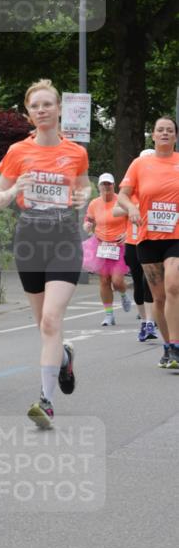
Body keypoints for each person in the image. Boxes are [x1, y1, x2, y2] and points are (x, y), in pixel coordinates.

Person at [0, 79, 91, 429]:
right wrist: (15, 187)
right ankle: (64, 356)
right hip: (29, 239)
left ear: (59, 108)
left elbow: (82, 188)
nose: (41, 110)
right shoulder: (18, 152)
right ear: (28, 114)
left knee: (51, 320)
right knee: (42, 325)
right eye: (35, 106)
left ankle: (45, 401)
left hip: (64, 239)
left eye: (47, 104)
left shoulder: (76, 152)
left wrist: (84, 198)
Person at [117, 116, 179, 369]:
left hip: (176, 235)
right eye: (160, 130)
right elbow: (122, 195)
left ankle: (176, 345)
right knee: (160, 297)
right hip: (147, 238)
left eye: (170, 130)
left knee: (174, 286)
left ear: (175, 136)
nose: (164, 133)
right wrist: (131, 208)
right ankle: (168, 347)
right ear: (152, 135)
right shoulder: (140, 164)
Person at [113, 149, 157, 341]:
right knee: (139, 282)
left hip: (154, 240)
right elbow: (115, 211)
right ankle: (144, 321)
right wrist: (133, 209)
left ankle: (151, 321)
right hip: (133, 241)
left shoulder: (158, 188)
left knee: (152, 282)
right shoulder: (131, 191)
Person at [82, 173, 131, 325]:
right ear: (99, 187)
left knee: (116, 281)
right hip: (101, 244)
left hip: (119, 245)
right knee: (104, 280)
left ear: (114, 185)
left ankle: (123, 294)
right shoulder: (94, 203)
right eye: (103, 184)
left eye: (109, 184)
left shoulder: (121, 201)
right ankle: (109, 315)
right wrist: (87, 226)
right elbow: (88, 220)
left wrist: (127, 233)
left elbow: (133, 218)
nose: (106, 187)